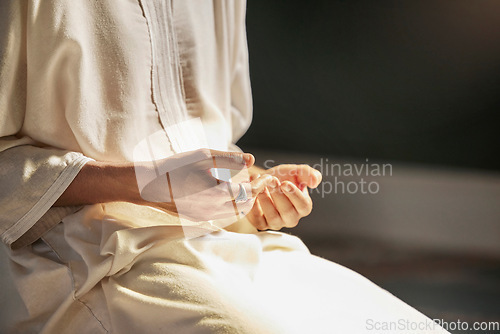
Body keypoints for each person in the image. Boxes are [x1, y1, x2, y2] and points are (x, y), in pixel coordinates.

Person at [0, 1, 448, 333]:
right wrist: (145, 184)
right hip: (71, 259)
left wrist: (249, 191)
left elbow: (205, 142)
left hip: (216, 242)